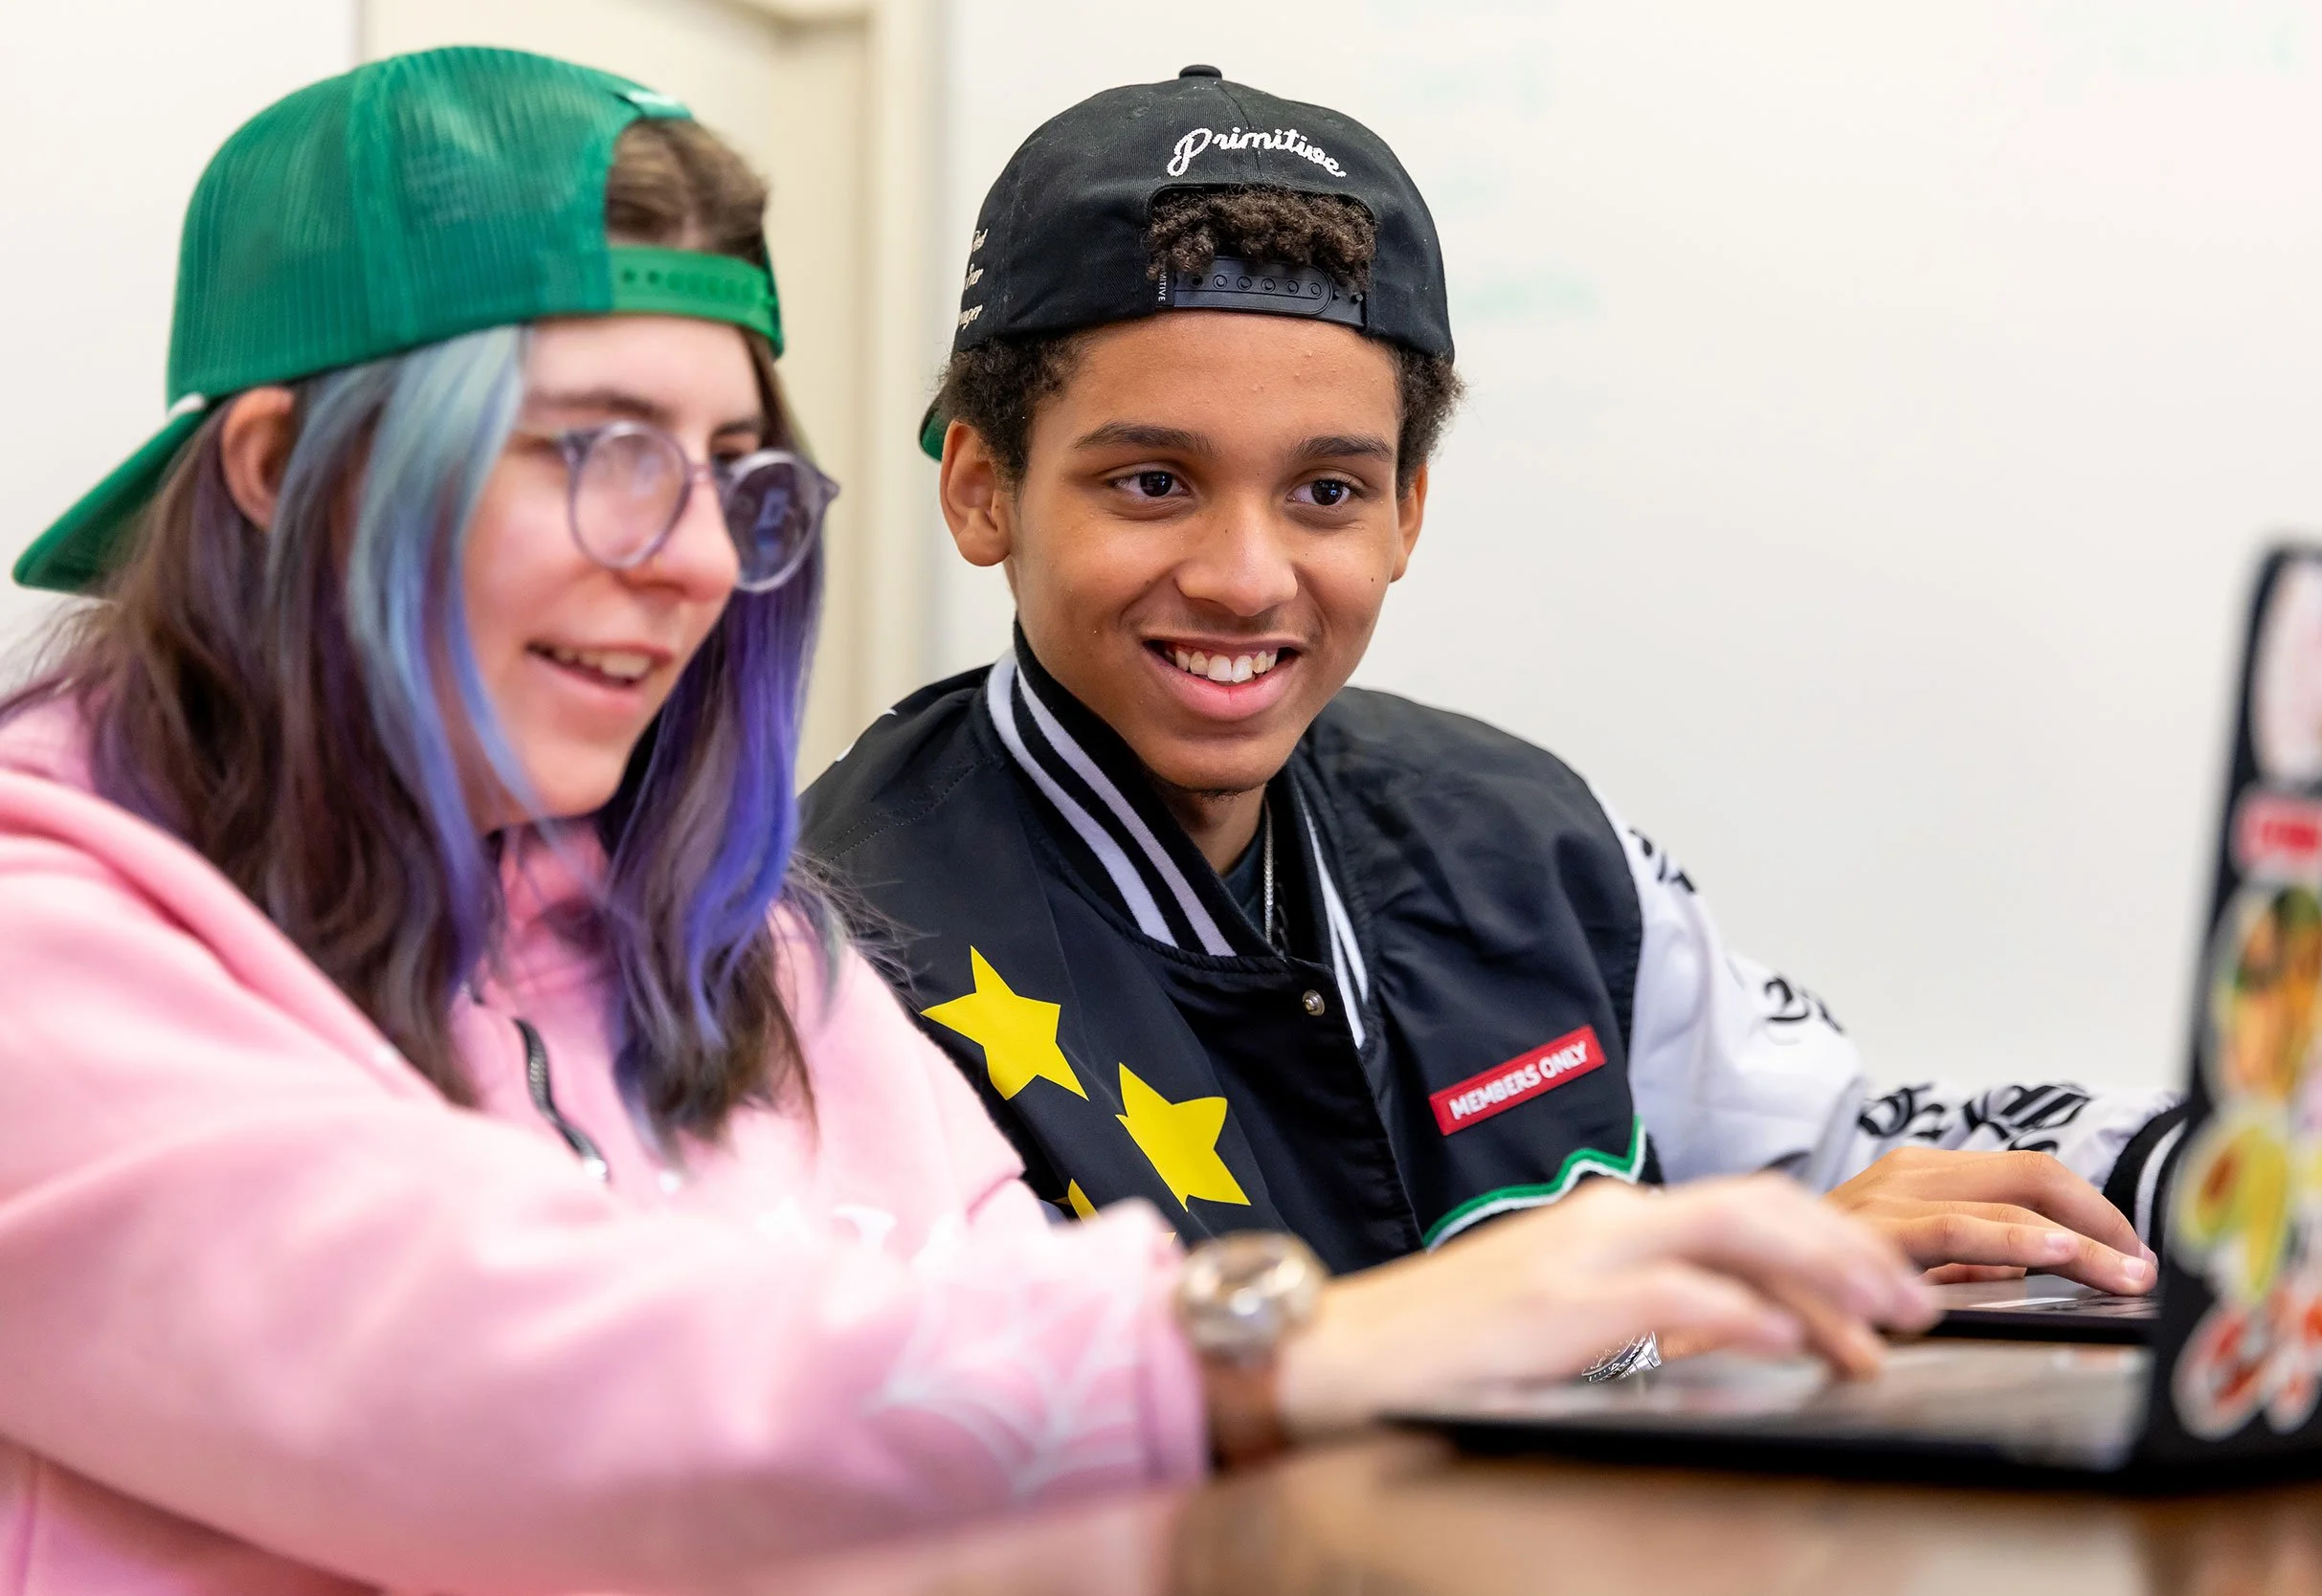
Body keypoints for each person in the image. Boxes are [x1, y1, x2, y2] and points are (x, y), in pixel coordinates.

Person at [0, 46, 1933, 1596]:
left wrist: (1590, 1340)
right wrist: (1303, 1346)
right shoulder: (45, 944)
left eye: (733, 478)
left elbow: (992, 1341)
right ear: (278, 470)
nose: (687, 563)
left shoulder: (742, 956)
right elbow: (514, 1386)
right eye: (596, 457)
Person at [803, 67, 2185, 1291]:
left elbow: (1844, 1151)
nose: (1244, 574)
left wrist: (2217, 1169)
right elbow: (1044, 1444)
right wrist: (1667, 1328)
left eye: (1327, 490)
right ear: (984, 493)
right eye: (1153, 482)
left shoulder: (1516, 831)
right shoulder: (819, 950)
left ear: (1408, 512)